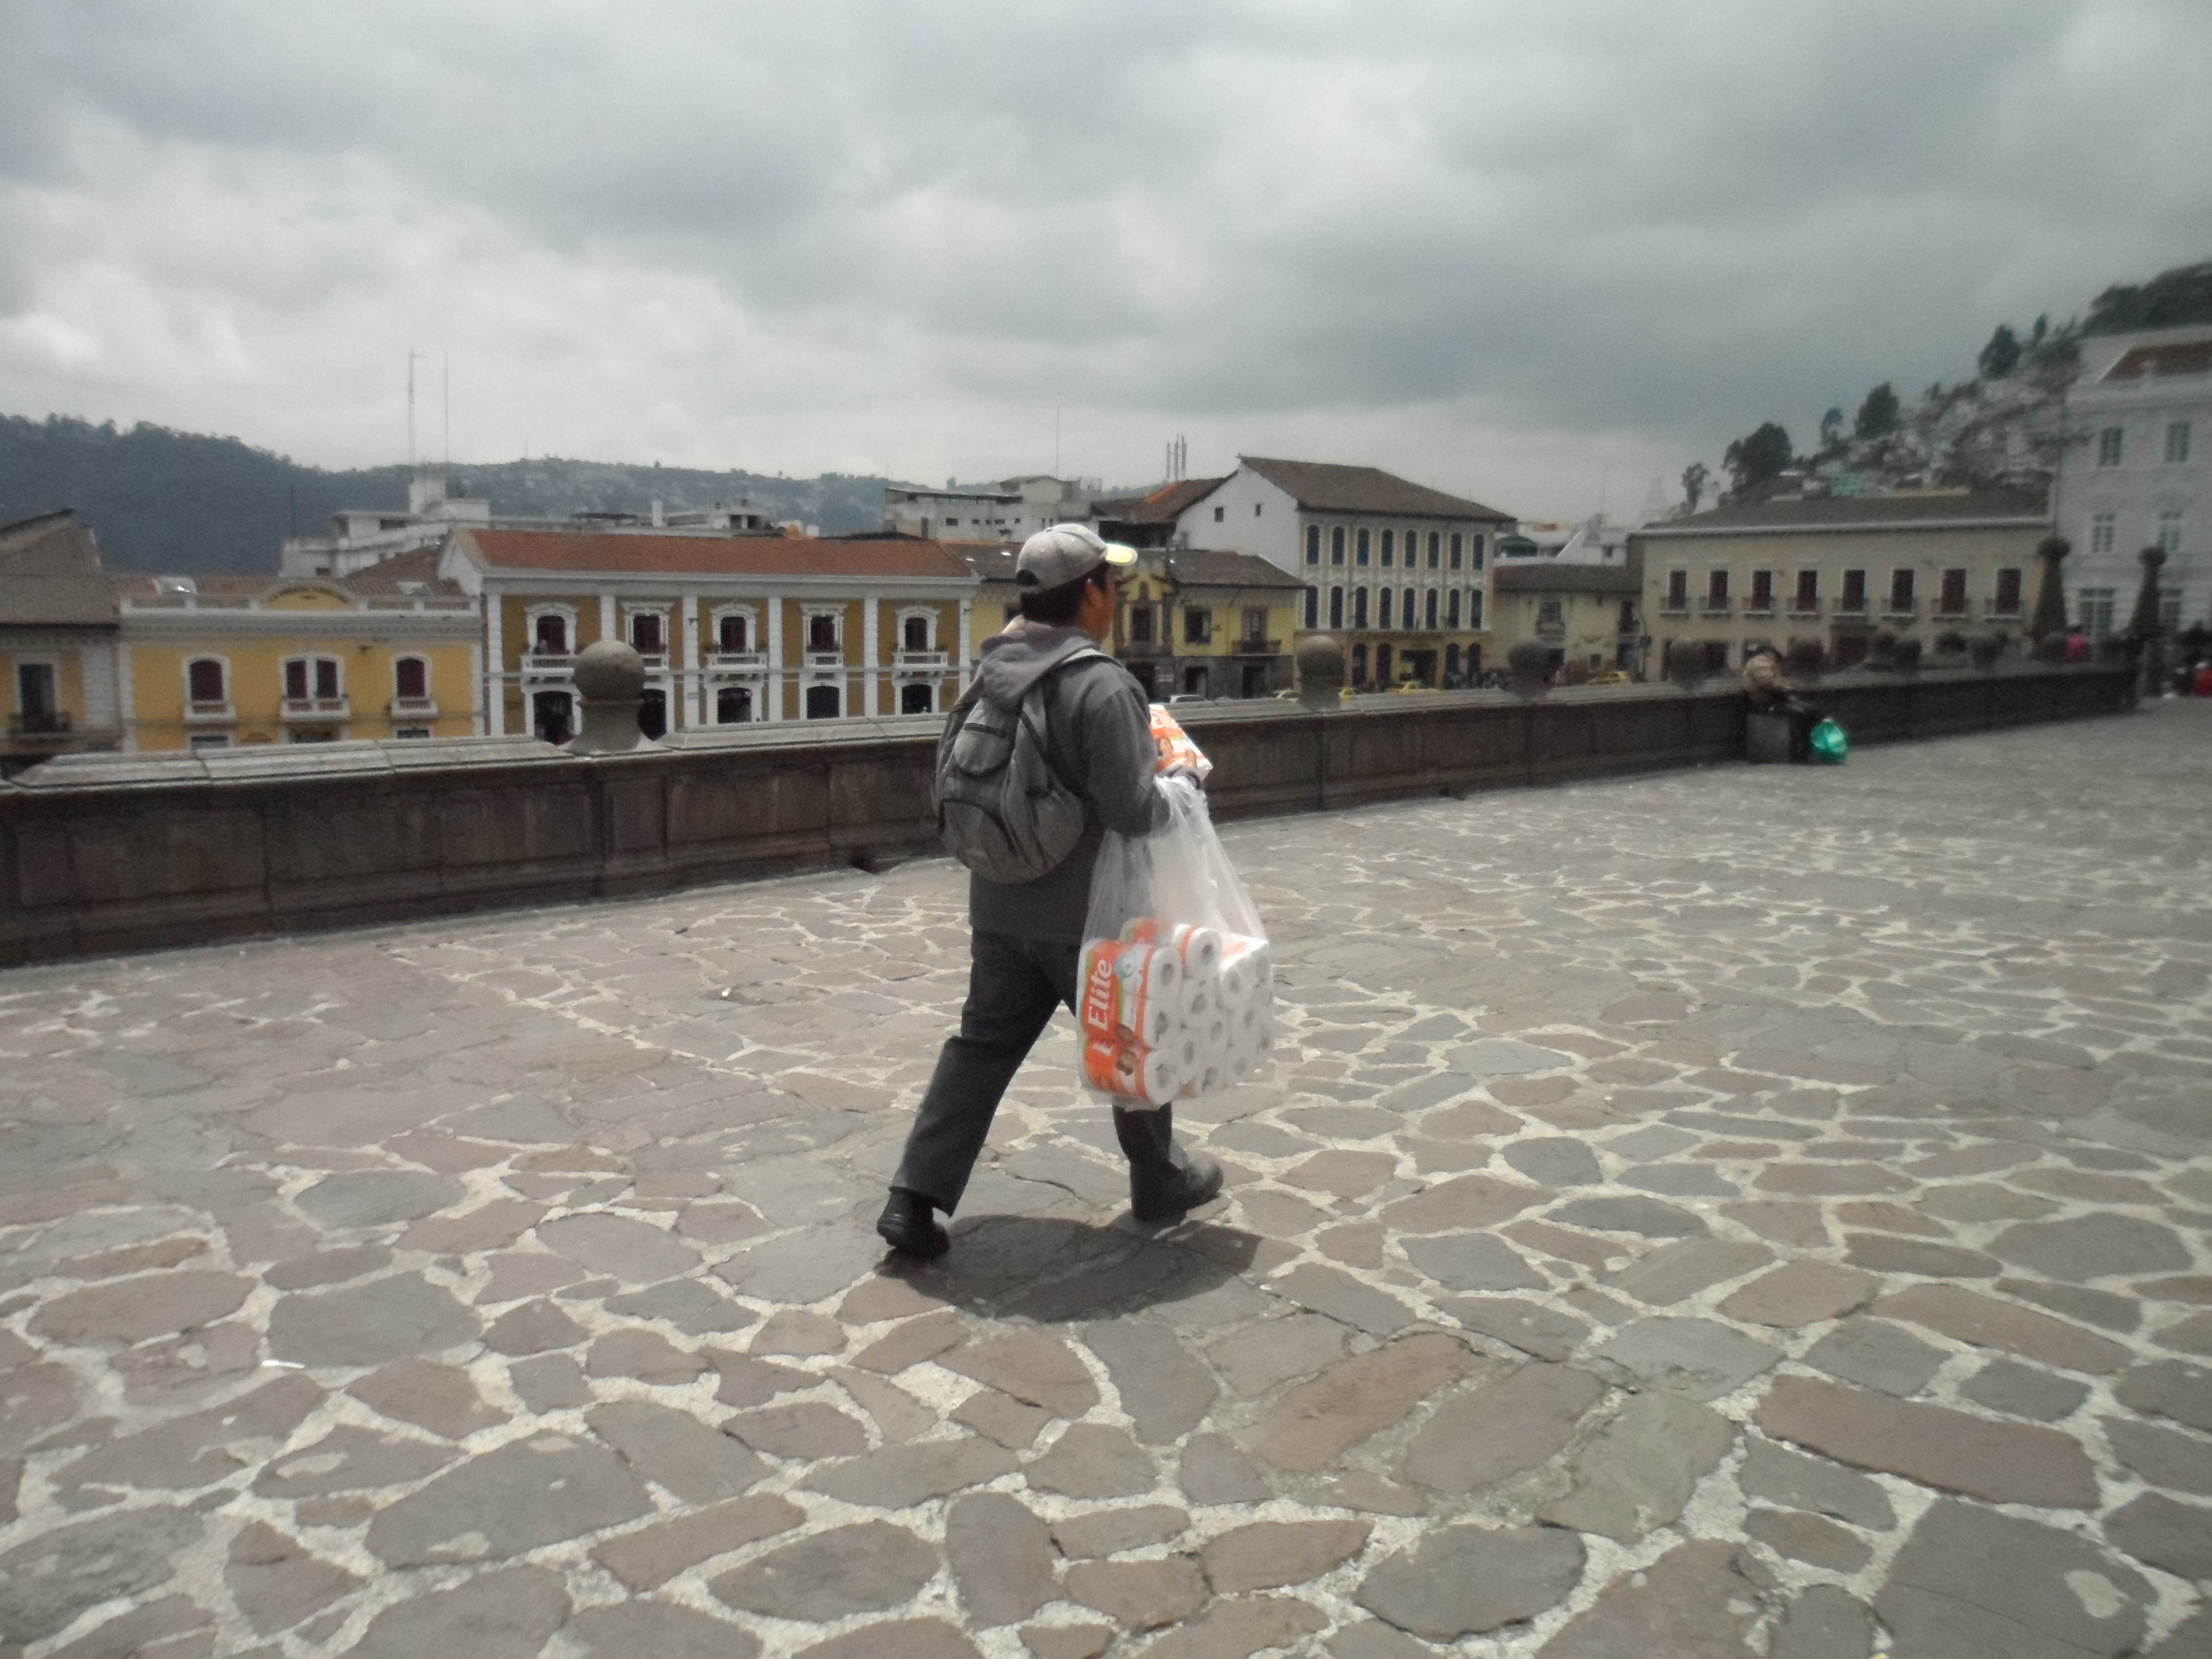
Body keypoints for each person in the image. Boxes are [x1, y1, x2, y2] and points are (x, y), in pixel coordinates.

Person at [876, 524, 1224, 1259]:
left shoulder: (989, 673)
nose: (1116, 599)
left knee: (980, 1046)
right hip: (1090, 913)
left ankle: (912, 1197)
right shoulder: (1101, 686)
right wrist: (1183, 786)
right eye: (1114, 585)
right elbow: (1132, 812)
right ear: (1091, 593)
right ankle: (1159, 1181)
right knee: (1131, 1042)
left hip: (999, 903)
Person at [1743, 646, 1823, 762]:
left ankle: (1807, 749)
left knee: (1811, 712)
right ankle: (1802, 751)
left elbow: (1774, 682)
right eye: (1775, 656)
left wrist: (1787, 689)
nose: (1775, 660)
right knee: (1803, 714)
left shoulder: (1764, 663)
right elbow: (1768, 682)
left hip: (1772, 702)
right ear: (1768, 653)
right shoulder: (1760, 662)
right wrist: (1788, 688)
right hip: (1766, 704)